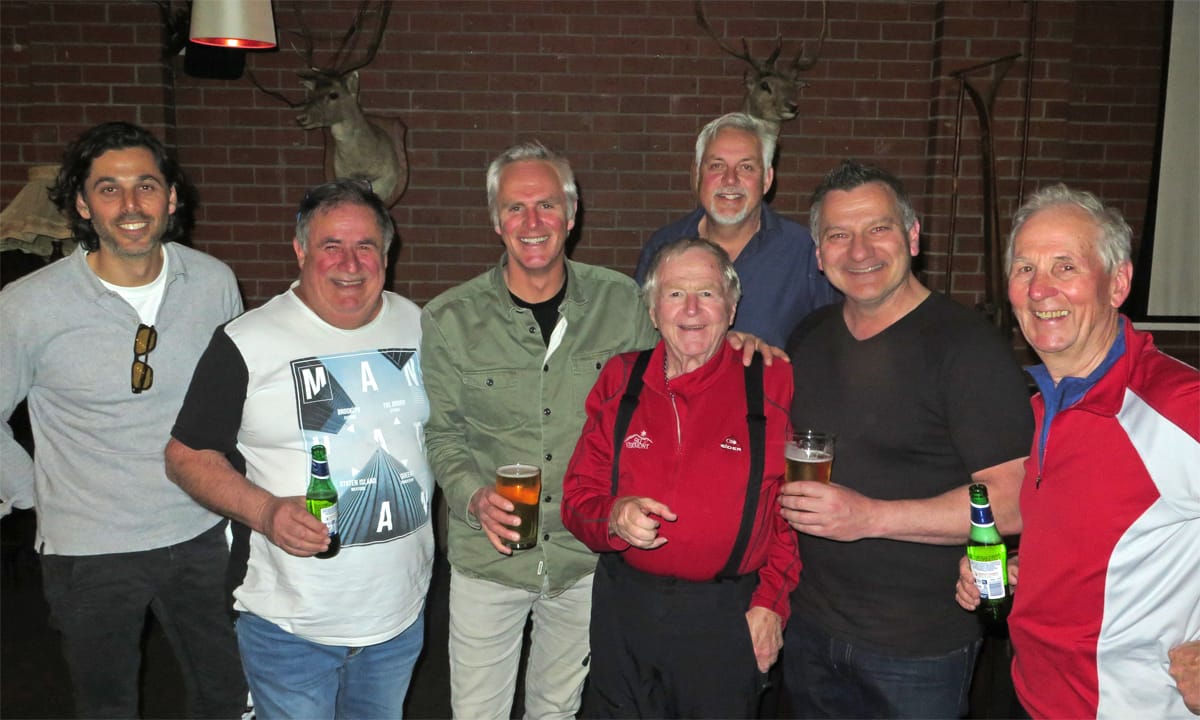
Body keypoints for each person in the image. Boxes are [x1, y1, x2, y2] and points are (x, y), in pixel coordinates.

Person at [421, 141, 779, 720]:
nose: (532, 222)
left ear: (571, 213)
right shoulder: (447, 318)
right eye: (515, 208)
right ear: (495, 219)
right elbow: (443, 436)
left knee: (557, 712)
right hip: (490, 561)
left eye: (546, 206)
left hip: (583, 562)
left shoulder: (622, 302)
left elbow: (687, 338)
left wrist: (741, 339)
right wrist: (472, 497)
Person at [0, 121, 247, 718]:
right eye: (108, 189)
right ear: (82, 204)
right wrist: (36, 493)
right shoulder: (27, 305)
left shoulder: (213, 282)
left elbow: (238, 403)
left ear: (172, 197)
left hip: (203, 534)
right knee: (107, 706)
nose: (131, 205)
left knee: (229, 697)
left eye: (146, 186)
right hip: (90, 552)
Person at [164, 179, 433, 719]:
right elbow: (185, 455)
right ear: (301, 250)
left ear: (388, 252)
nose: (350, 263)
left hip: (399, 618)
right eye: (331, 245)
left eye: (366, 247)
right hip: (291, 626)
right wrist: (266, 511)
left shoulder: (422, 325)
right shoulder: (246, 341)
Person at [778, 159, 1033, 718]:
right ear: (819, 255)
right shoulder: (808, 338)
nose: (860, 251)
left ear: (913, 237)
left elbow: (1014, 500)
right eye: (838, 235)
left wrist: (870, 517)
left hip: (917, 648)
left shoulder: (966, 347)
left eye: (879, 229)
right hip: (810, 628)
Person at [954, 184, 1199, 719]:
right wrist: (1024, 569)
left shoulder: (1177, 404)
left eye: (1066, 267)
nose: (1040, 290)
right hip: (1033, 695)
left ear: (1118, 283)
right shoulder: (1047, 405)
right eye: (1024, 269)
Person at [561, 237, 800, 718]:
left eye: (707, 293)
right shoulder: (620, 379)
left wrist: (771, 602)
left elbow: (794, 511)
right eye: (674, 294)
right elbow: (576, 498)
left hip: (724, 618)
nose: (691, 308)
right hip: (623, 611)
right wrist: (613, 515)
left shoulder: (772, 381)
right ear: (652, 310)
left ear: (732, 308)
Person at [634, 112, 839, 346]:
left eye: (746, 167)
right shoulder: (662, 246)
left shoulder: (805, 252)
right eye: (717, 165)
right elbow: (642, 342)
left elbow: (831, 344)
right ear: (698, 174)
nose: (730, 180)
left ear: (767, 179)